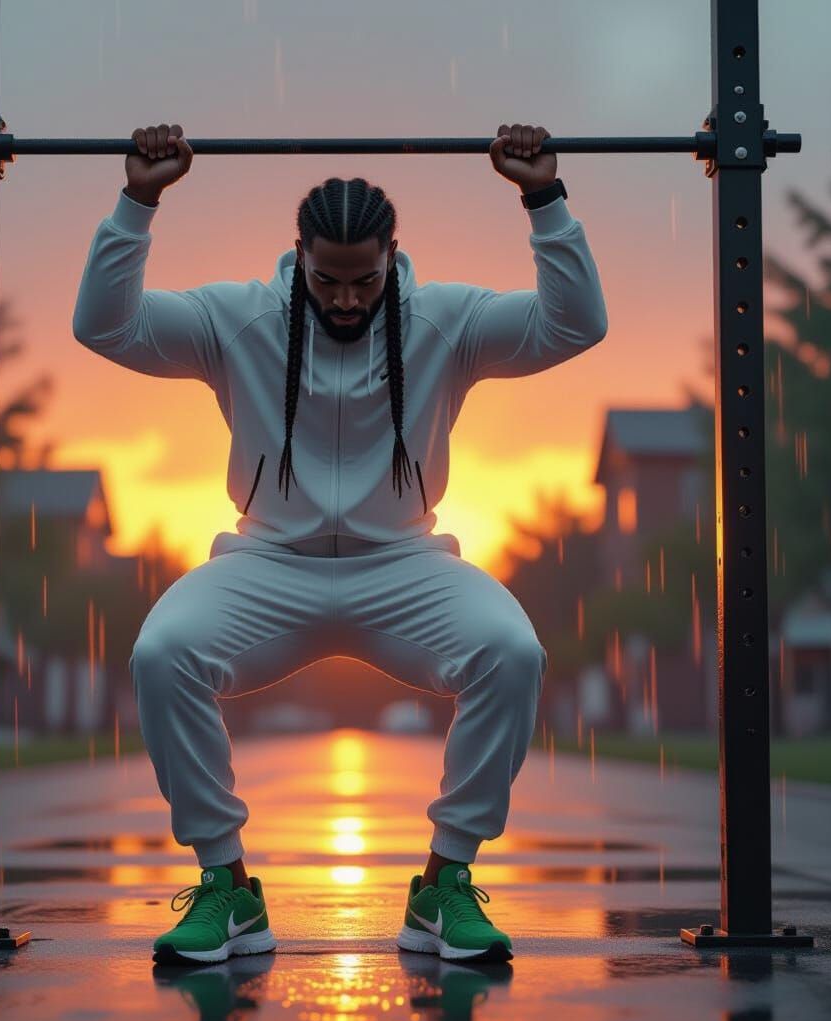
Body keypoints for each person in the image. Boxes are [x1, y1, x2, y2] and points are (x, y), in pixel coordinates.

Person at [72, 121, 608, 966]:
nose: (348, 300)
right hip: (267, 564)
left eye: (366, 281)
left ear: (394, 256)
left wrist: (543, 197)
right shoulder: (239, 318)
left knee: (511, 652)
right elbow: (105, 327)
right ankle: (227, 887)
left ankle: (443, 884)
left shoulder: (447, 320)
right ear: (300, 257)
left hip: (404, 565)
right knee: (162, 652)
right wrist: (138, 201)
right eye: (328, 281)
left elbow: (574, 326)